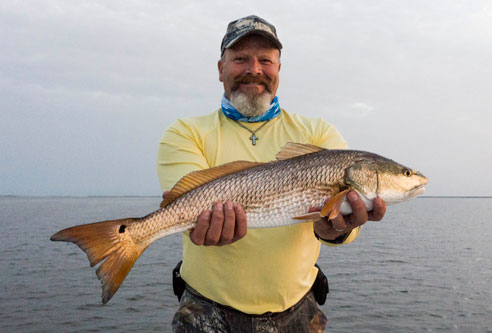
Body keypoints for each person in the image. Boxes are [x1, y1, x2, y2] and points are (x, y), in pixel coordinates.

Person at [157, 15, 386, 332]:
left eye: (266, 60)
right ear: (220, 68)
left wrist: (335, 229)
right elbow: (183, 203)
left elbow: (347, 228)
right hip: (206, 311)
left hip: (298, 312)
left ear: (278, 69)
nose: (254, 69)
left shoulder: (318, 133)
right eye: (240, 59)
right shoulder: (185, 132)